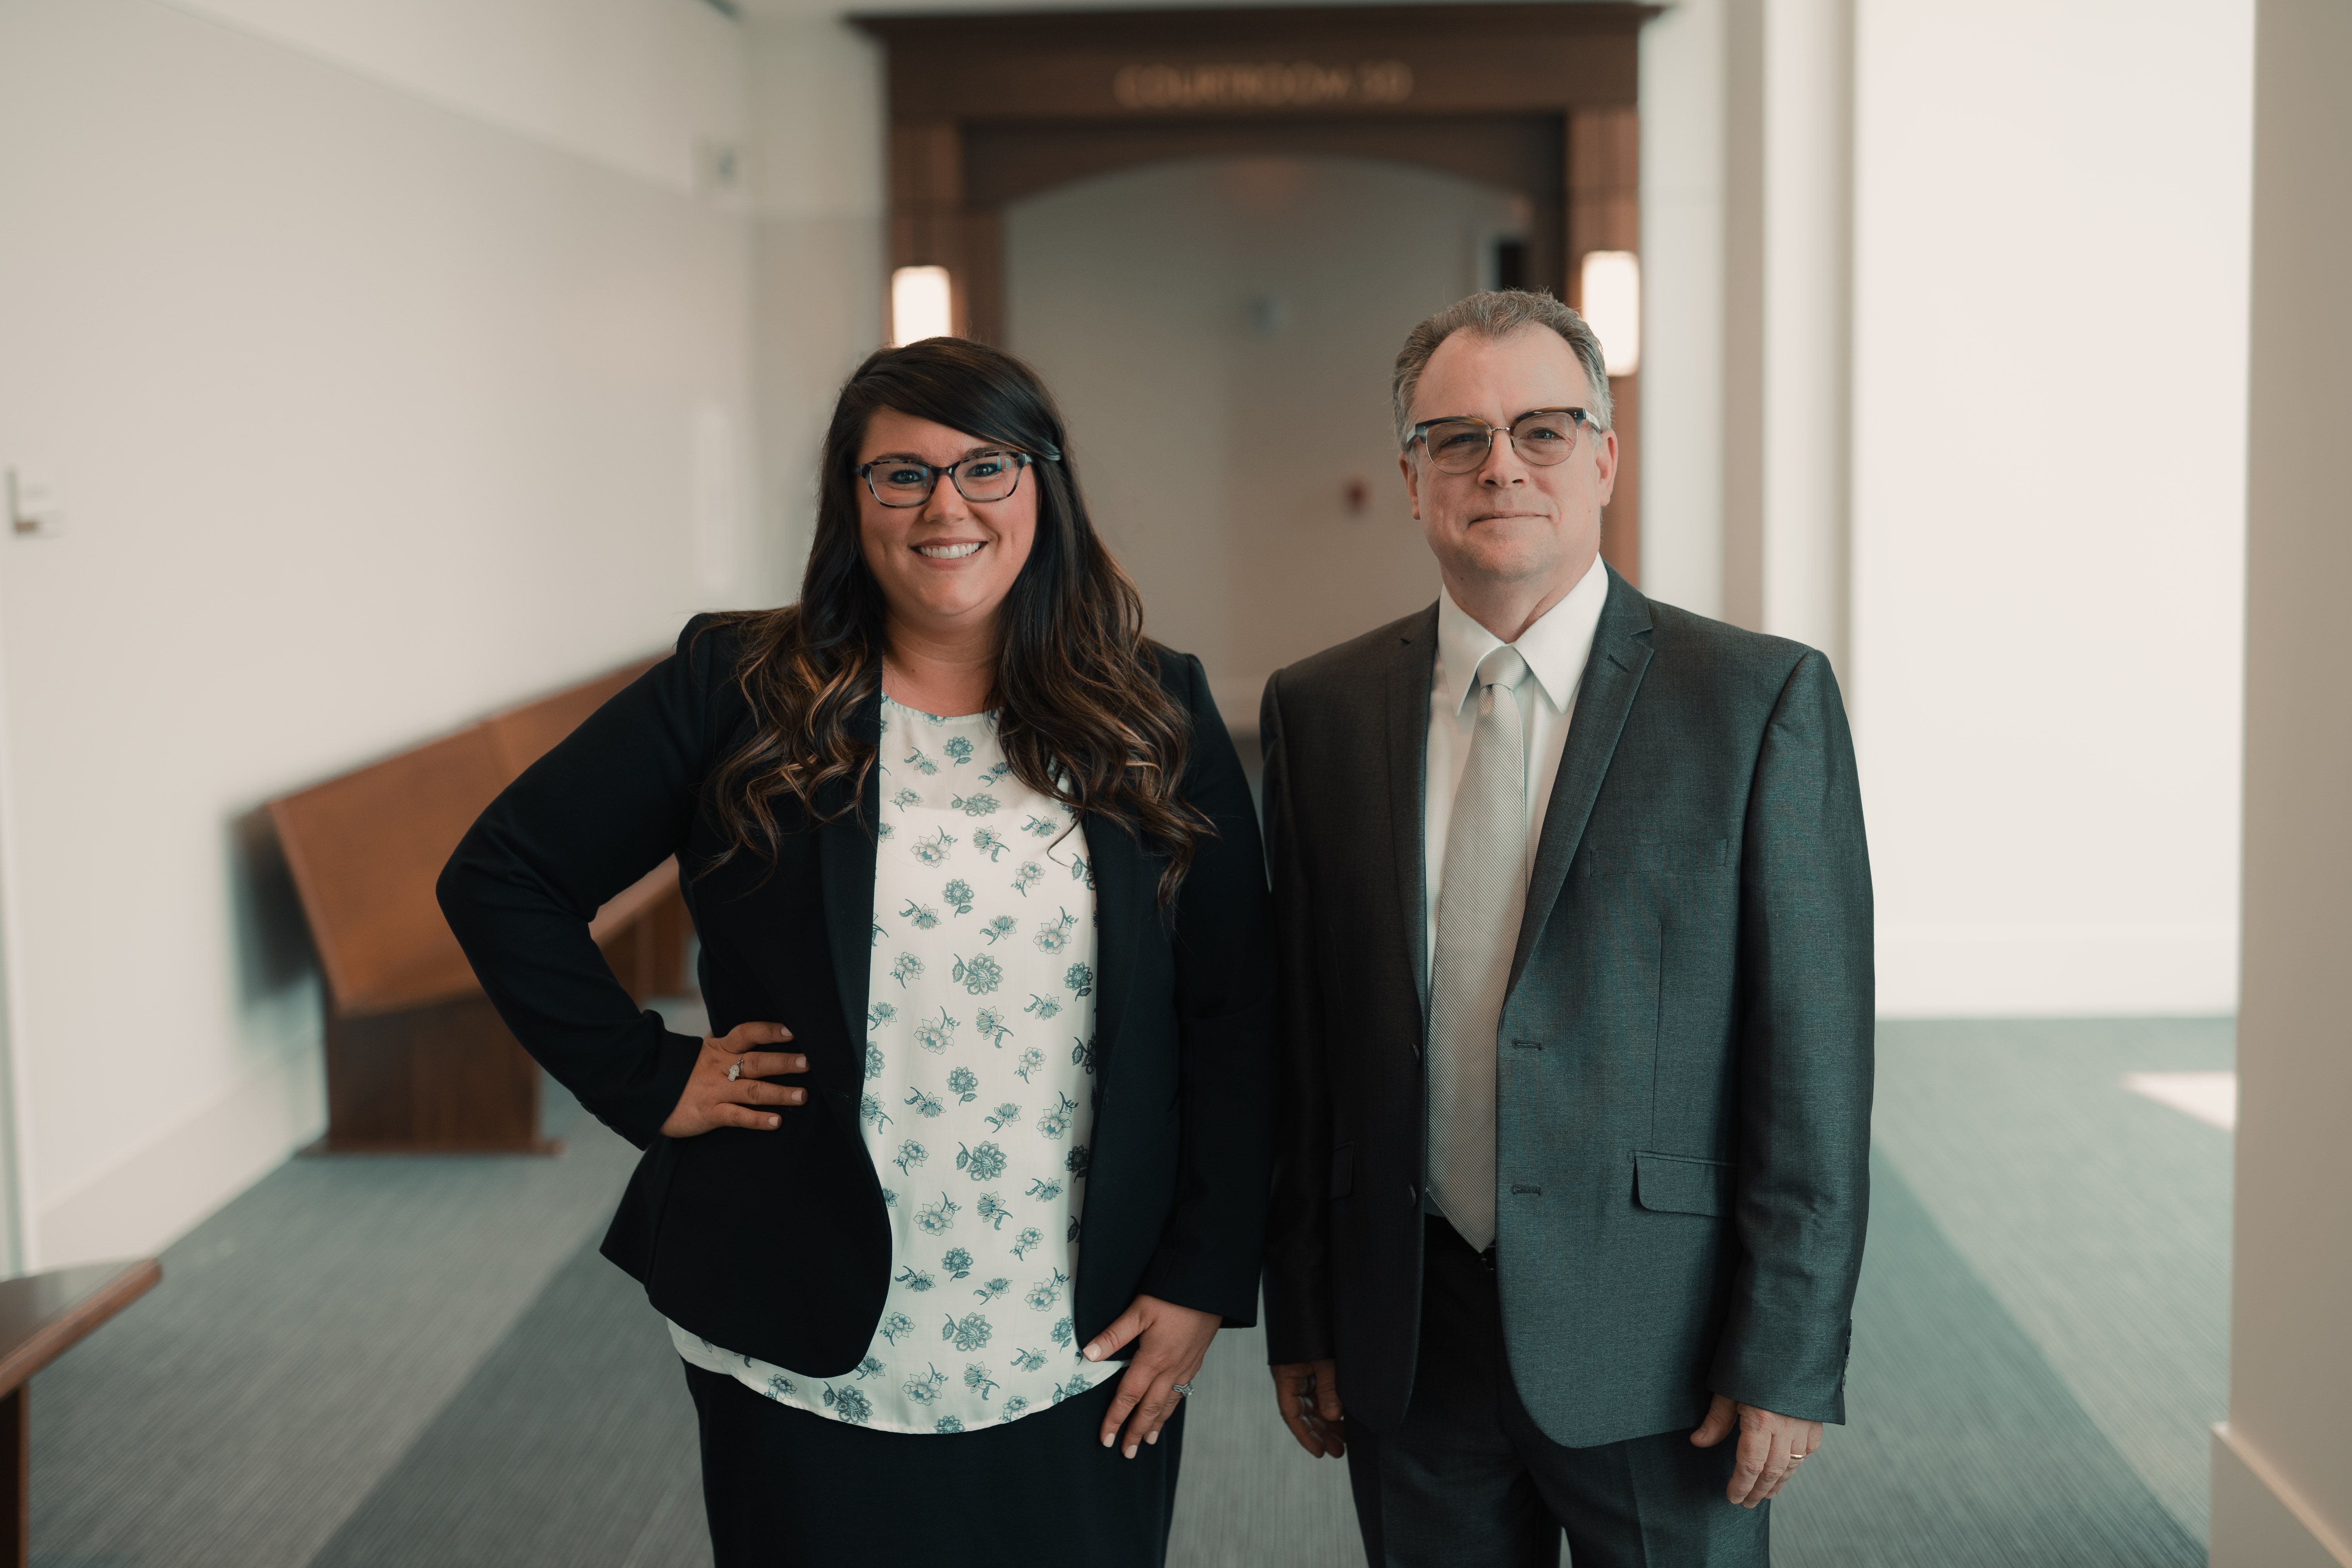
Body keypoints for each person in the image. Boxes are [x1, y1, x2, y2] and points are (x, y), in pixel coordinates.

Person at [439, 338, 1274, 1567]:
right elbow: (503, 875)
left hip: (1068, 1326)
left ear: (1045, 485)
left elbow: (1236, 1009)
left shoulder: (1152, 709)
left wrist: (1206, 1273)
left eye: (987, 467)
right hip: (801, 1314)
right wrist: (646, 1072)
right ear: (852, 499)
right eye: (902, 476)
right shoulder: (739, 688)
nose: (948, 508)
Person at [1258, 290, 1873, 1566]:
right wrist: (1307, 1307)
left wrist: (1791, 1349)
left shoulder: (1757, 702)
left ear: (1603, 455)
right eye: (1459, 438)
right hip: (1412, 1328)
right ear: (1413, 477)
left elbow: (1811, 1064)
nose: (1502, 468)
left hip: (1663, 1341)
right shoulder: (1319, 710)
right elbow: (1309, 1047)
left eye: (1543, 430)